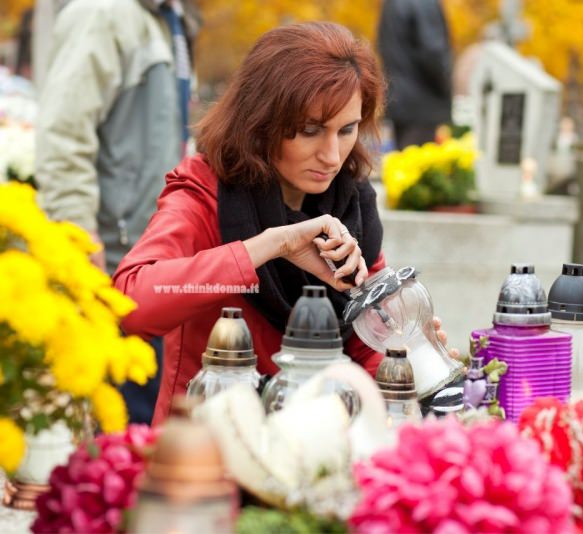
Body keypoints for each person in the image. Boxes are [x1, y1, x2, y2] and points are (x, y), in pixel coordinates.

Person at [113, 22, 390, 425]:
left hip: (317, 449)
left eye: (346, 130)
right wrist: (270, 245)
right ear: (262, 122)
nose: (332, 155)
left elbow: (368, 349)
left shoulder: (352, 202)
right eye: (310, 131)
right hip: (204, 450)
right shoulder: (206, 191)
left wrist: (404, 349)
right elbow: (131, 303)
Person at [35, 0, 200, 423]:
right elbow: (64, 132)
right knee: (117, 426)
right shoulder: (103, 13)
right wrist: (78, 232)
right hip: (109, 261)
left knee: (142, 421)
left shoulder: (170, 20)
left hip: (152, 260)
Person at [377, 0, 453, 149]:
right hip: (425, 102)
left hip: (399, 99)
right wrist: (446, 86)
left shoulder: (391, 4)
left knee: (405, 165)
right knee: (422, 165)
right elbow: (433, 53)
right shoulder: (424, 3)